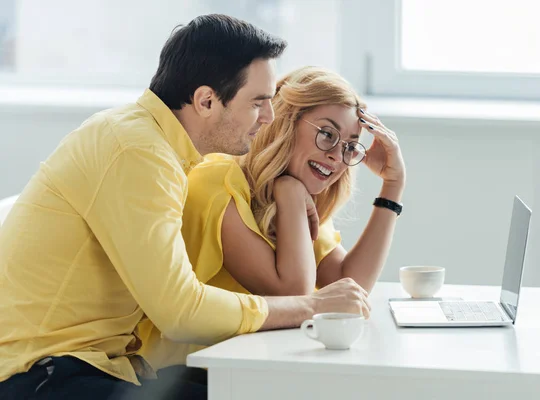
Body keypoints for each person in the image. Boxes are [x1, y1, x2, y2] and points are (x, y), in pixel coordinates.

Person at [0, 15, 370, 400]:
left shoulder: (159, 148)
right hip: (40, 375)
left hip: (97, 366)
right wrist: (309, 306)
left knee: (268, 388)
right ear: (206, 100)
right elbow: (180, 311)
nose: (270, 117)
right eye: (258, 102)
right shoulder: (138, 152)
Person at [137, 66, 406, 371]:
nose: (336, 156)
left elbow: (350, 289)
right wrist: (290, 193)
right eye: (327, 134)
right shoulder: (218, 181)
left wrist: (393, 185)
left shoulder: (299, 193)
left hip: (250, 364)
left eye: (349, 146)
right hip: (187, 373)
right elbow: (296, 297)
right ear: (284, 123)